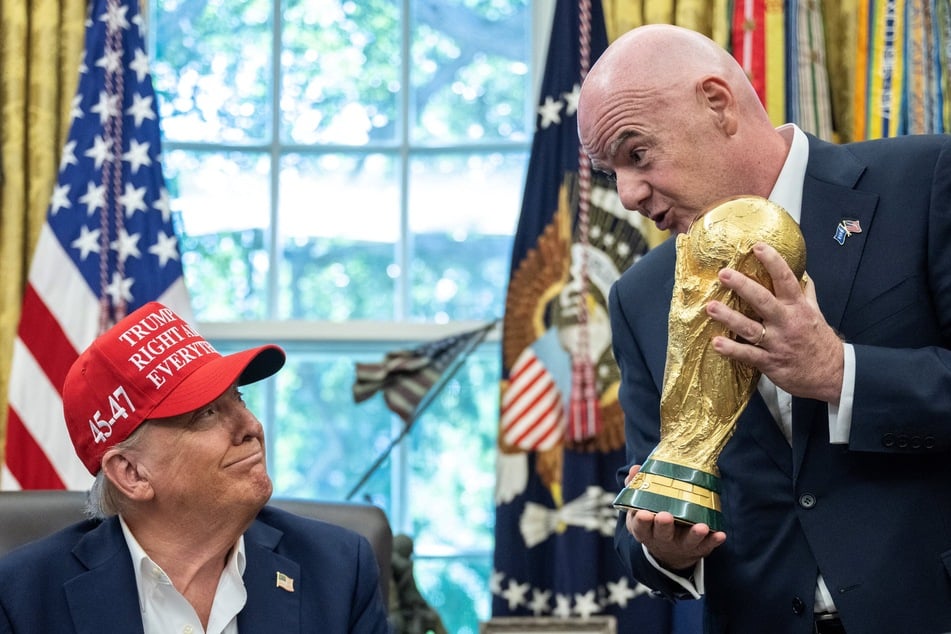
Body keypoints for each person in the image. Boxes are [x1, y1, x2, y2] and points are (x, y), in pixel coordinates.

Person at [577, 23, 951, 633]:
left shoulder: (927, 181)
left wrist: (840, 374)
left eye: (636, 154)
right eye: (609, 173)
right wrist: (662, 548)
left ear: (717, 104)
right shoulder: (641, 296)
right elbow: (652, 484)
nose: (627, 195)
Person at [0, 302, 390, 633]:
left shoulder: (338, 570)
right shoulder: (23, 598)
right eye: (206, 414)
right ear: (131, 473)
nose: (251, 426)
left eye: (239, 399)